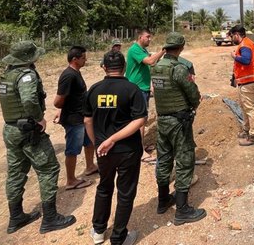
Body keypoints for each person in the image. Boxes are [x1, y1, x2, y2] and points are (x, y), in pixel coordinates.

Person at [0, 41, 76, 234]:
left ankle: (16, 217)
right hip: (28, 130)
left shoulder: (6, 75)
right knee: (49, 169)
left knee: (16, 172)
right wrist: (39, 118)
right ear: (28, 58)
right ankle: (50, 218)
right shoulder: (27, 75)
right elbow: (29, 99)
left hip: (11, 130)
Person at [84, 50, 147, 245]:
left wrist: (98, 143)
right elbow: (140, 120)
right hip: (128, 149)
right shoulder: (132, 89)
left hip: (104, 151)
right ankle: (119, 238)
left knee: (104, 187)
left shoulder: (94, 90)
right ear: (125, 67)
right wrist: (114, 139)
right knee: (125, 192)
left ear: (104, 67)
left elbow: (87, 120)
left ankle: (98, 231)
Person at [151, 32, 206, 225]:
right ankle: (182, 210)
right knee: (184, 160)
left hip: (162, 120)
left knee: (164, 159)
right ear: (181, 47)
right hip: (178, 122)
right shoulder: (179, 68)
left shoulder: (156, 67)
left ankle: (163, 200)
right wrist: (195, 103)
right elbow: (192, 92)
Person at [53, 45, 97, 190]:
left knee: (89, 142)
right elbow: (58, 101)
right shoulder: (69, 75)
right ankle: (71, 180)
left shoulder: (76, 72)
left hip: (81, 116)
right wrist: (62, 110)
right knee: (73, 149)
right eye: (83, 58)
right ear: (74, 59)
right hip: (73, 119)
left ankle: (90, 166)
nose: (86, 60)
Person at [125, 29, 164, 162]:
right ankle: (139, 150)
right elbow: (149, 61)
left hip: (143, 88)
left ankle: (140, 145)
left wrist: (151, 85)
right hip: (136, 88)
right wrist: (163, 51)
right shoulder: (135, 49)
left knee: (142, 118)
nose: (149, 39)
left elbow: (151, 64)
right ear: (140, 37)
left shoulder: (143, 50)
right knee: (139, 120)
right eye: (147, 37)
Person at [229, 25, 254, 146]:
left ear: (236, 34)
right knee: (245, 106)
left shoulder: (245, 45)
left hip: (248, 82)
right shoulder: (247, 43)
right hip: (246, 81)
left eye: (232, 36)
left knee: (250, 109)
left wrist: (235, 56)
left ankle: (253, 136)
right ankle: (246, 130)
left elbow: (246, 60)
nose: (231, 39)